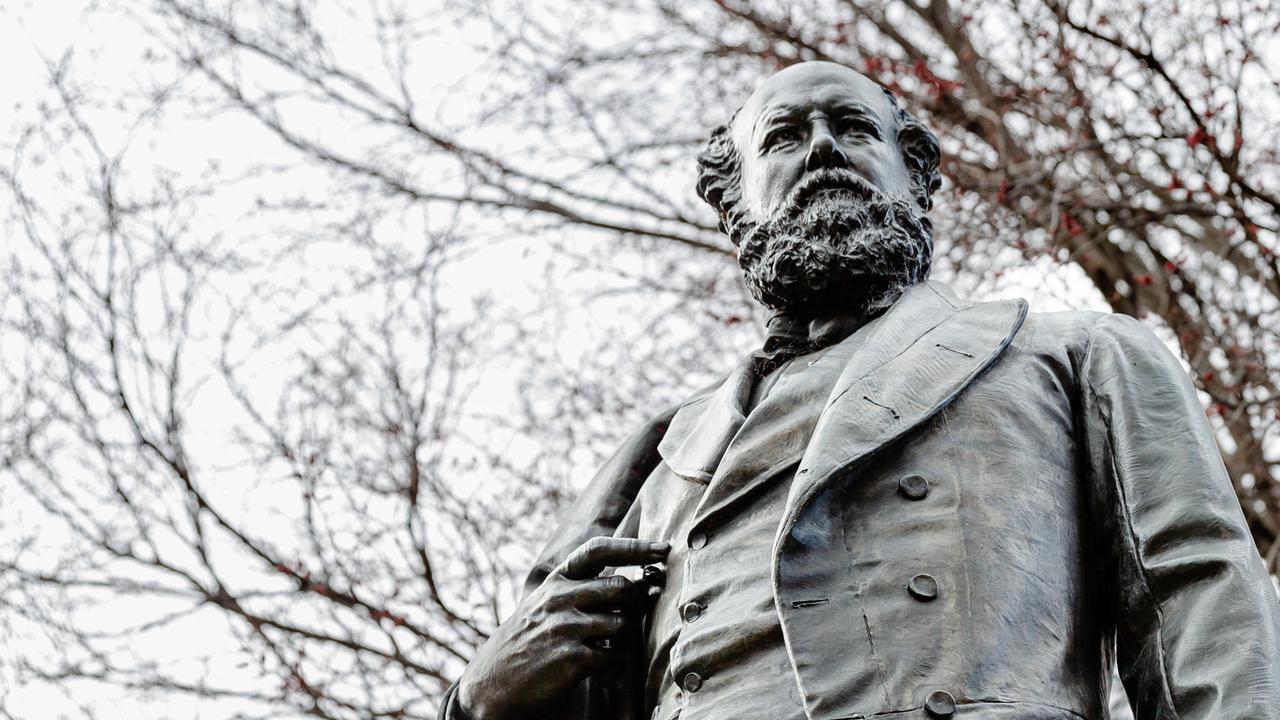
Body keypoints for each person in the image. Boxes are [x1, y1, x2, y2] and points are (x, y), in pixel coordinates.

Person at [441, 61, 1280, 720]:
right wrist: (480, 702)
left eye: (851, 127)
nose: (822, 149)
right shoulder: (658, 460)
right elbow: (573, 672)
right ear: (735, 210)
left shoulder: (1081, 354)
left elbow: (1201, 600)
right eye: (784, 137)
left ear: (913, 178)